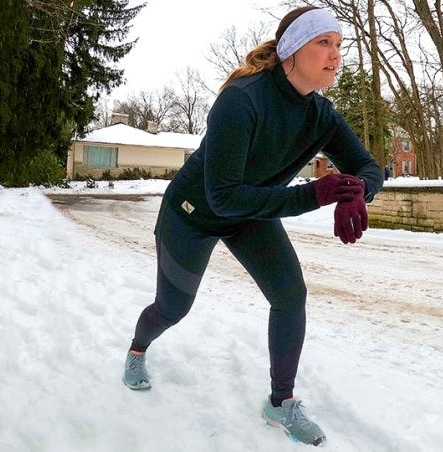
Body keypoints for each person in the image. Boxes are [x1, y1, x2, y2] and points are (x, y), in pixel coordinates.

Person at [122, 6, 383, 447]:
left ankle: (281, 402)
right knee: (172, 308)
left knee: (290, 295)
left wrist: (357, 189)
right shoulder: (241, 101)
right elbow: (224, 197)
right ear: (292, 51)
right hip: (194, 214)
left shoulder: (322, 114)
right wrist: (314, 195)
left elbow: (367, 165)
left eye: (339, 45)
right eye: (323, 43)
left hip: (250, 215)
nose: (335, 55)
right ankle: (137, 350)